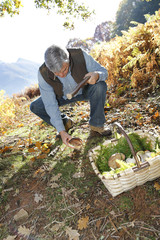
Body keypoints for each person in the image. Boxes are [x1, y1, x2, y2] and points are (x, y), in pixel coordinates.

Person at [30, 44, 112, 147]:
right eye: (56, 73)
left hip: (85, 90)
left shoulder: (79, 55)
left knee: (100, 86)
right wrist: (61, 130)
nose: (61, 75)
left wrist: (97, 75)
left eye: (64, 69)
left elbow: (104, 71)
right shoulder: (43, 73)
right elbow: (50, 104)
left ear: (68, 59)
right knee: (36, 106)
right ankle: (65, 123)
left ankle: (97, 125)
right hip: (61, 97)